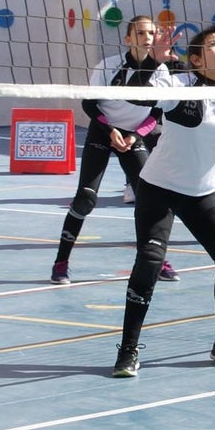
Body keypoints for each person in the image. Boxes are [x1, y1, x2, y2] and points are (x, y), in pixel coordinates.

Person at [113, 26, 215, 377]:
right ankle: (127, 350)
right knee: (150, 263)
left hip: (200, 192)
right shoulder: (180, 87)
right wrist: (151, 60)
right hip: (159, 187)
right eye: (214, 46)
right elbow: (138, 96)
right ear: (197, 59)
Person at [51, 15, 180, 285]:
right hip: (103, 131)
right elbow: (90, 105)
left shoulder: (162, 71)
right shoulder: (108, 66)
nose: (147, 38)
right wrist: (111, 130)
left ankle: (156, 259)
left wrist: (134, 136)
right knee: (85, 198)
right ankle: (61, 262)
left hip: (134, 137)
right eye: (141, 33)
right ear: (128, 38)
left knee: (149, 200)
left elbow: (157, 112)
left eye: (151, 33)